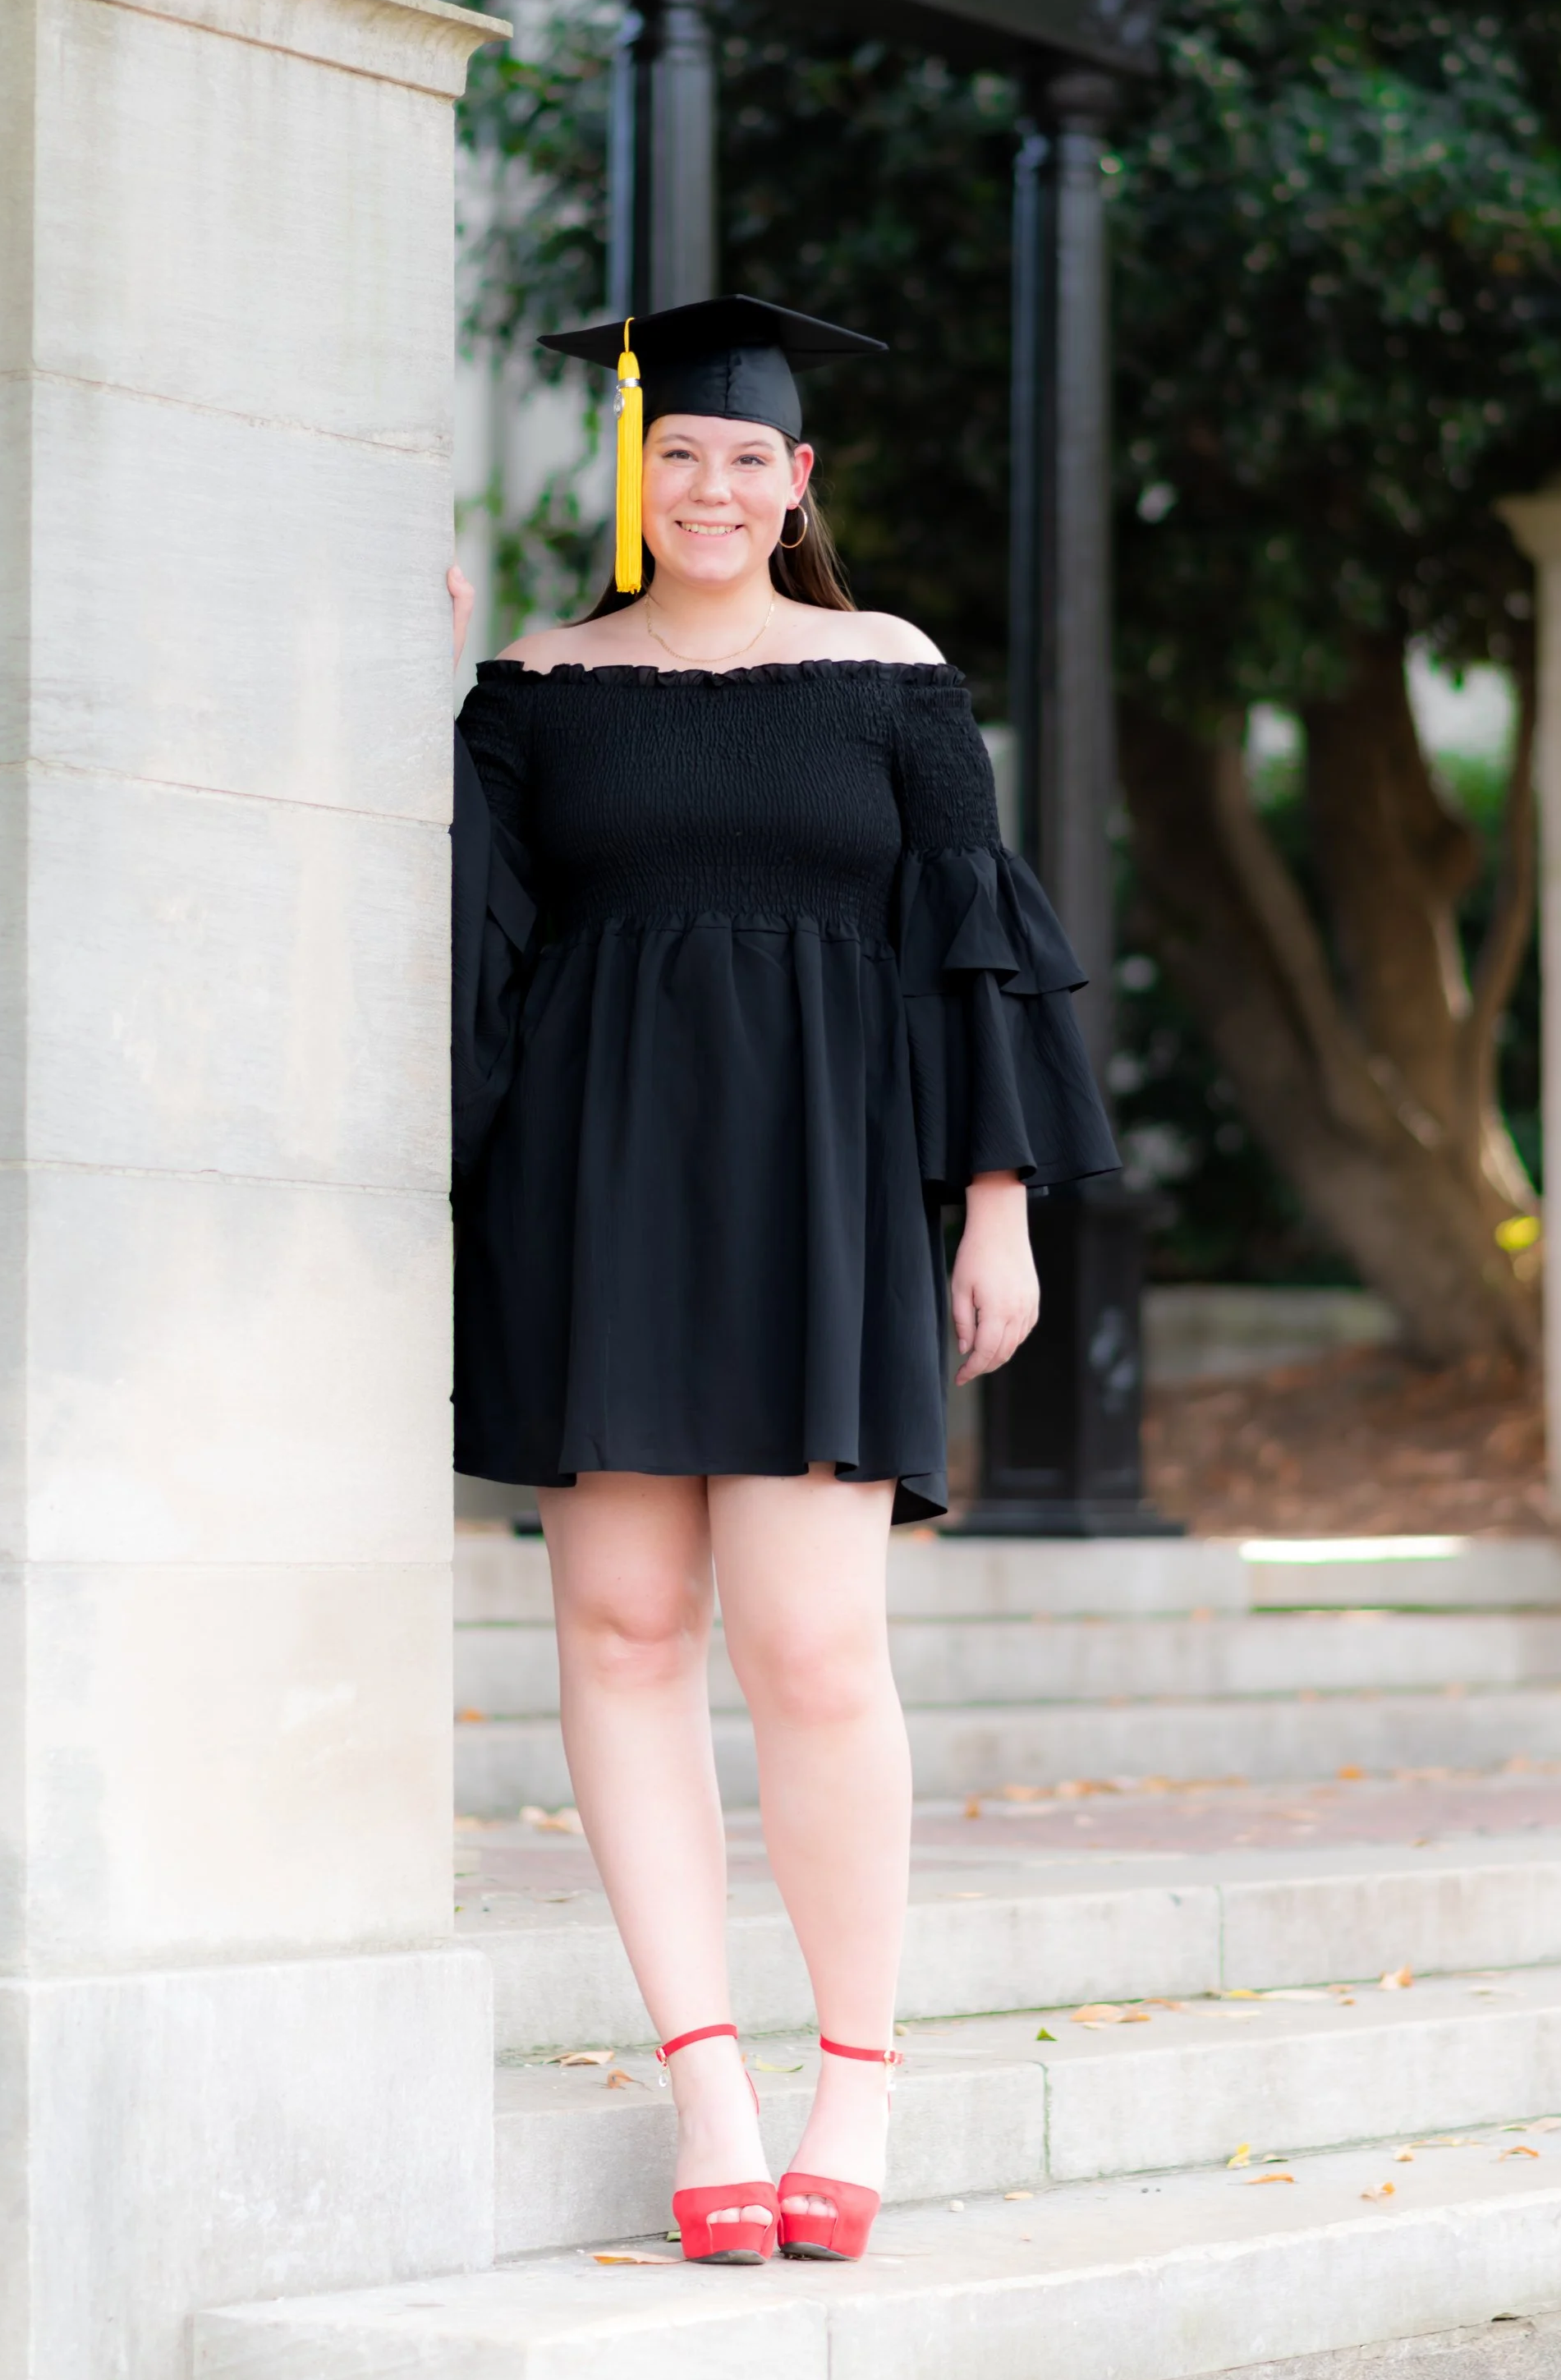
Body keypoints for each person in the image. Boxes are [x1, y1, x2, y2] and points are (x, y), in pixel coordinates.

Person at [447, 295, 1118, 2265]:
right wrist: (427, 639)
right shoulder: (533, 686)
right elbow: (458, 934)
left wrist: (993, 1206)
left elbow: (970, 944)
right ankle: (709, 2088)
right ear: (632, 474)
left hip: (821, 1184)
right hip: (590, 1188)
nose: (712, 486)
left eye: (749, 458)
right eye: (678, 456)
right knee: (627, 1630)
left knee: (814, 1645)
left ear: (798, 481)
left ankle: (858, 2078)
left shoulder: (885, 676)